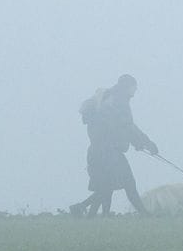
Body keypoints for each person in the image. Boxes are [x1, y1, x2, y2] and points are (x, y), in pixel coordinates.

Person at [68, 74, 158, 216]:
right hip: (110, 152)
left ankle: (84, 211)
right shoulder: (119, 102)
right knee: (129, 183)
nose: (135, 90)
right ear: (128, 87)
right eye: (134, 87)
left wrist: (138, 143)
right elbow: (127, 127)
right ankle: (146, 215)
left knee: (105, 187)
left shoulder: (105, 102)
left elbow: (119, 128)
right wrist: (147, 143)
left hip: (96, 152)